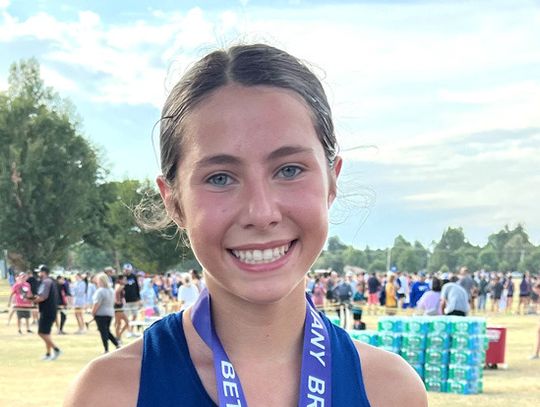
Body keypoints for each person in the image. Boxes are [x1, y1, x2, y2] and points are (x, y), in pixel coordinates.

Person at [65, 43, 427, 407]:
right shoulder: (111, 393)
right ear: (173, 201)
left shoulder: (390, 391)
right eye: (221, 178)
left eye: (289, 170)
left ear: (332, 181)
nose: (261, 211)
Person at [29, 264, 62, 360]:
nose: (38, 274)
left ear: (43, 272)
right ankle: (48, 354)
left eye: (39, 272)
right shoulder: (49, 281)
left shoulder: (46, 282)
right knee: (46, 333)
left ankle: (56, 350)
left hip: (47, 311)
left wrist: (30, 300)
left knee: (41, 333)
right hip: (49, 310)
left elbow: (42, 297)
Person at [92, 272, 120, 354]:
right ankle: (117, 344)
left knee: (103, 331)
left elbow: (97, 304)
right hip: (110, 312)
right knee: (107, 330)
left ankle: (106, 349)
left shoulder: (100, 291)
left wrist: (93, 312)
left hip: (101, 313)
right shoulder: (111, 290)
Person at [122, 263, 141, 338]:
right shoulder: (122, 277)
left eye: (129, 270)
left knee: (135, 315)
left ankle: (131, 330)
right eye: (126, 270)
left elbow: (137, 287)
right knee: (126, 317)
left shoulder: (134, 277)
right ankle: (128, 331)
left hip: (134, 299)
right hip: (126, 300)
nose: (127, 271)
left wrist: (138, 298)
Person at [113, 275, 130, 344]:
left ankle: (118, 337)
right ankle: (118, 337)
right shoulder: (119, 285)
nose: (125, 281)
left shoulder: (121, 286)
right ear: (120, 280)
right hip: (118, 306)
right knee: (125, 322)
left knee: (119, 323)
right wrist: (117, 300)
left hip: (120, 306)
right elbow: (116, 292)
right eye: (124, 279)